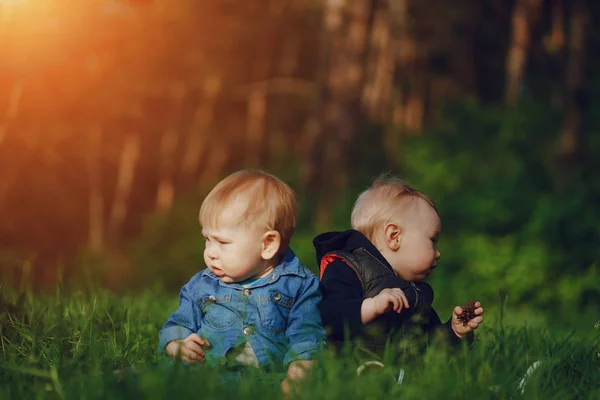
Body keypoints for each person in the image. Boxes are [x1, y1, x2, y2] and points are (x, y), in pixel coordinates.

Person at [159, 170, 326, 392]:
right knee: (158, 378)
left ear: (267, 245)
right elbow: (178, 323)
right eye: (207, 239)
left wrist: (299, 372)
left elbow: (306, 336)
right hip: (204, 376)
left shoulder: (299, 286)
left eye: (222, 242)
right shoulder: (203, 285)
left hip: (265, 383)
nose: (210, 252)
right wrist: (176, 344)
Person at [315, 176, 484, 362]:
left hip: (401, 386)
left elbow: (431, 348)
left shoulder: (415, 293)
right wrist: (371, 306)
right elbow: (325, 315)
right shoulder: (347, 268)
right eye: (432, 240)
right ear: (394, 236)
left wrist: (455, 333)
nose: (438, 253)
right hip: (352, 378)